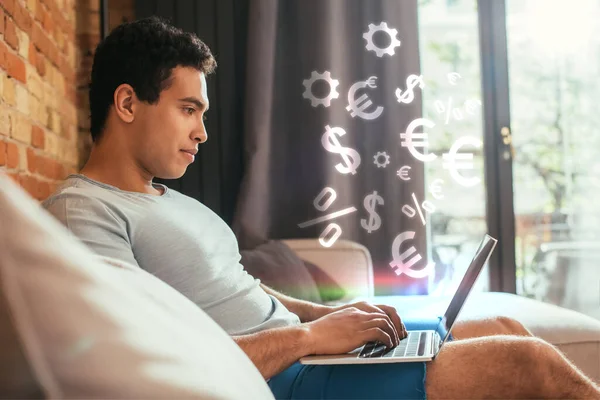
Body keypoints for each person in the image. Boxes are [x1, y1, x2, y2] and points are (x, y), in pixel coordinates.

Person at [42, 16, 600, 399]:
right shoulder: (82, 213)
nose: (202, 132)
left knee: (504, 324)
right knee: (531, 366)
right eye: (189, 109)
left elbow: (242, 287)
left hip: (304, 351)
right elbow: (131, 363)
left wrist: (322, 315)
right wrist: (309, 341)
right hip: (281, 379)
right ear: (126, 102)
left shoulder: (168, 199)